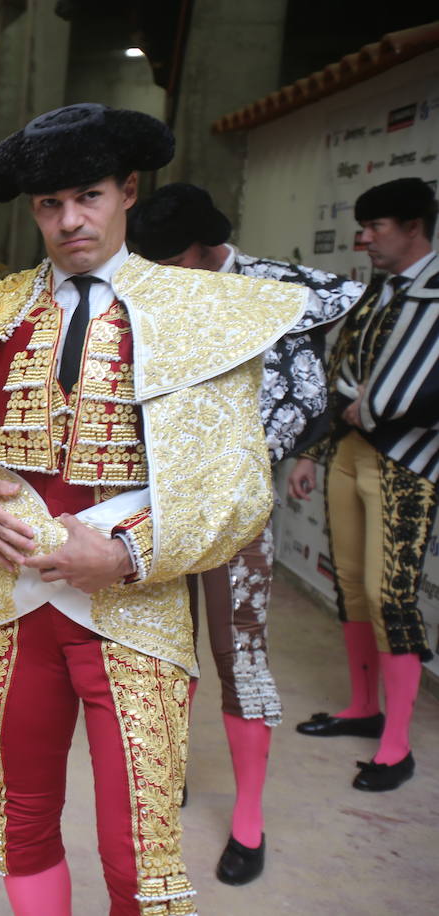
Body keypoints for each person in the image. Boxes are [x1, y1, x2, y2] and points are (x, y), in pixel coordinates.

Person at [0, 103, 306, 915]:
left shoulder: (196, 311)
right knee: (24, 823)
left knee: (138, 855)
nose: (68, 220)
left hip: (138, 607)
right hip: (12, 604)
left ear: (127, 191)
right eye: (49, 204)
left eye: (87, 195)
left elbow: (236, 486)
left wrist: (127, 556)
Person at [128, 181, 362, 885]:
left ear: (207, 246)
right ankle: (168, 783)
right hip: (156, 502)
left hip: (237, 508)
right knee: (165, 652)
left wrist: (213, 458)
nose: (161, 276)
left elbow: (301, 404)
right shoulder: (154, 284)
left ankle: (249, 819)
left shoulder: (271, 293)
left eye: (174, 260)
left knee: (241, 658)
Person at [288, 176, 439, 793]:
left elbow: (410, 394)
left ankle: (397, 744)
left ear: (413, 228)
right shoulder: (381, 291)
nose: (366, 238)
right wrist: (314, 447)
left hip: (410, 463)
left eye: (377, 227)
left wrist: (364, 407)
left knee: (393, 597)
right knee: (352, 583)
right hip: (350, 452)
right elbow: (342, 372)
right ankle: (363, 707)